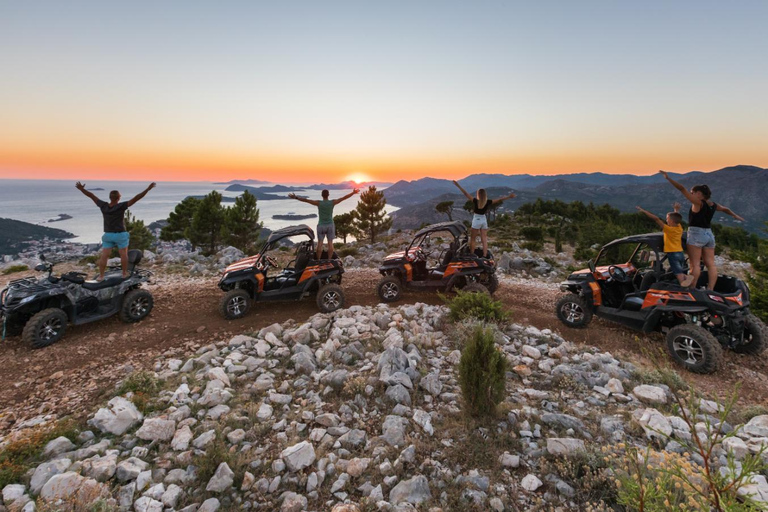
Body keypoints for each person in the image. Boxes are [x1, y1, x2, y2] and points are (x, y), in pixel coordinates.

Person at [659, 170, 745, 289]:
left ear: (699, 193)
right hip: (709, 235)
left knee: (695, 265)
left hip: (696, 234)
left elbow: (682, 189)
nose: (691, 194)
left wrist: (668, 178)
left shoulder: (698, 203)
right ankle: (710, 289)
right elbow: (725, 209)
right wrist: (735, 216)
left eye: (692, 193)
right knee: (711, 265)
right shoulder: (713, 205)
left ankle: (692, 289)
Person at [76, 181, 156, 280]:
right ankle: (124, 273)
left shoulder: (103, 206)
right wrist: (148, 189)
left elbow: (91, 195)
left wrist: (82, 189)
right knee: (123, 255)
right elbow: (136, 198)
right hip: (120, 234)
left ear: (110, 197)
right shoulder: (121, 206)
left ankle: (101, 276)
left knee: (104, 256)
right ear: (118, 198)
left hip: (108, 235)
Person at [287, 188, 360, 260]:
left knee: (320, 244)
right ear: (328, 195)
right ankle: (329, 260)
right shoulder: (332, 202)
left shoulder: (319, 203)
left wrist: (296, 197)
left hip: (321, 225)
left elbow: (307, 200)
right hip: (330, 225)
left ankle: (318, 261)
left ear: (322, 195)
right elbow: (343, 198)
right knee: (330, 244)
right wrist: (353, 192)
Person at [452, 180, 516, 258]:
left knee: (473, 239)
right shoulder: (488, 202)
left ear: (478, 194)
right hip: (483, 220)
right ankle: (485, 255)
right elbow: (499, 199)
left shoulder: (476, 201)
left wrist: (458, 185)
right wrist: (509, 197)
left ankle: (472, 255)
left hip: (476, 219)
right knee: (484, 240)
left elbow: (466, 193)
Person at [636, 203, 694, 287]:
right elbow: (676, 218)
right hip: (680, 252)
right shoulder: (679, 228)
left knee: (677, 272)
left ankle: (683, 285)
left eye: (667, 219)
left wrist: (643, 211)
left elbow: (656, 219)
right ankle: (686, 277)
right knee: (679, 270)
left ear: (671, 221)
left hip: (673, 253)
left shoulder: (668, 230)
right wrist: (676, 210)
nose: (666, 220)